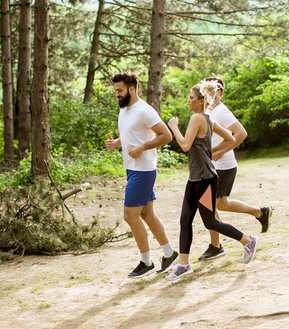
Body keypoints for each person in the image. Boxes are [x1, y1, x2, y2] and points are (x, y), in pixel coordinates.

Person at [165, 81, 259, 281]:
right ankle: (183, 265)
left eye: (191, 98)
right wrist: (211, 152)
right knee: (185, 219)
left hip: (206, 180)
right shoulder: (209, 120)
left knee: (210, 221)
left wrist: (173, 127)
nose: (188, 101)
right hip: (196, 178)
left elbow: (184, 145)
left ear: (200, 101)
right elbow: (231, 140)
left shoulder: (197, 118)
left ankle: (248, 240)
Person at [105, 71, 179, 278]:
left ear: (131, 89)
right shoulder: (125, 109)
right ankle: (170, 253)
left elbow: (166, 136)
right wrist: (117, 143)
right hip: (132, 169)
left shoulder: (144, 110)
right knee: (147, 214)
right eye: (115, 91)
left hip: (143, 170)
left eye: (119, 91)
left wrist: (143, 148)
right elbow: (132, 135)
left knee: (130, 216)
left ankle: (146, 262)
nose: (117, 94)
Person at [197, 76, 273, 261]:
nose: (204, 94)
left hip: (223, 166)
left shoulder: (221, 112)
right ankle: (260, 212)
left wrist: (221, 151)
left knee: (210, 205)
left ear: (219, 92)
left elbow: (241, 133)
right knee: (219, 204)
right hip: (214, 165)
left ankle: (217, 246)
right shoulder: (207, 111)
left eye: (209, 91)